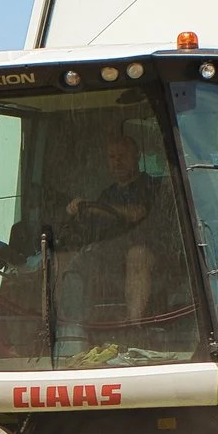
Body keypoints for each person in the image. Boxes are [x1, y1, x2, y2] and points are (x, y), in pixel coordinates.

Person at [62, 135, 162, 322]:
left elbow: (137, 212)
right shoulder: (108, 193)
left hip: (149, 251)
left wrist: (98, 208)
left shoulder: (151, 185)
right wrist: (76, 211)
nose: (117, 162)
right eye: (112, 157)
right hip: (109, 253)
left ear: (137, 156)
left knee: (137, 255)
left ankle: (133, 327)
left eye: (123, 156)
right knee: (65, 259)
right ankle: (71, 330)